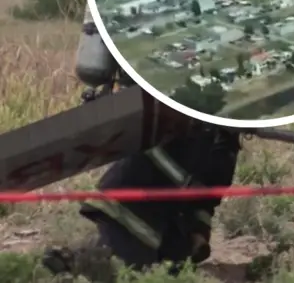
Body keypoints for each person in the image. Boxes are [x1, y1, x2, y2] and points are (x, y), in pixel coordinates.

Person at [43, 16, 241, 280]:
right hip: (146, 205)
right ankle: (85, 261)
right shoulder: (192, 125)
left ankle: (85, 261)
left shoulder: (212, 136)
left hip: (158, 213)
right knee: (129, 252)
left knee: (134, 254)